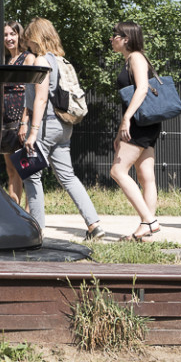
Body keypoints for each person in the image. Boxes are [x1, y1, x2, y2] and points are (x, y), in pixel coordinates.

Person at [20, 18, 105, 241]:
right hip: (64, 125)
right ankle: (94, 224)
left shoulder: (42, 60)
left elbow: (40, 99)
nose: (28, 43)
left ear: (36, 37)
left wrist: (32, 132)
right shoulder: (60, 60)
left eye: (29, 39)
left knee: (31, 175)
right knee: (68, 176)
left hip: (45, 124)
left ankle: (36, 229)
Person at [109, 21, 161, 241]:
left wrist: (126, 119)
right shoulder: (134, 58)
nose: (112, 39)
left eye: (115, 35)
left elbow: (141, 89)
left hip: (138, 121)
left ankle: (149, 220)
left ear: (126, 38)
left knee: (118, 172)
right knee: (145, 175)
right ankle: (145, 227)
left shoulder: (136, 58)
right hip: (144, 122)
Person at [1, 21, 35, 204]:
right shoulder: (6, 61)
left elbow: (30, 93)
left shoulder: (28, 58)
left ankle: (30, 213)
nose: (9, 38)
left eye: (12, 34)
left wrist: (24, 122)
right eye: (6, 35)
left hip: (21, 119)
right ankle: (14, 207)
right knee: (10, 168)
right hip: (6, 120)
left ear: (19, 36)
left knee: (26, 169)